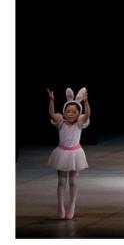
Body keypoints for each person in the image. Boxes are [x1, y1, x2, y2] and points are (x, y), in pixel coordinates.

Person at [45, 87, 91, 220]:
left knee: (73, 180)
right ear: (64, 112)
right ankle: (60, 206)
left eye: (74, 112)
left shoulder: (79, 123)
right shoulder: (60, 122)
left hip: (75, 154)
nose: (70, 114)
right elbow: (52, 114)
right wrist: (51, 100)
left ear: (79, 113)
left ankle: (72, 206)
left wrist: (86, 102)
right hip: (62, 153)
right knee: (61, 181)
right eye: (68, 111)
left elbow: (87, 115)